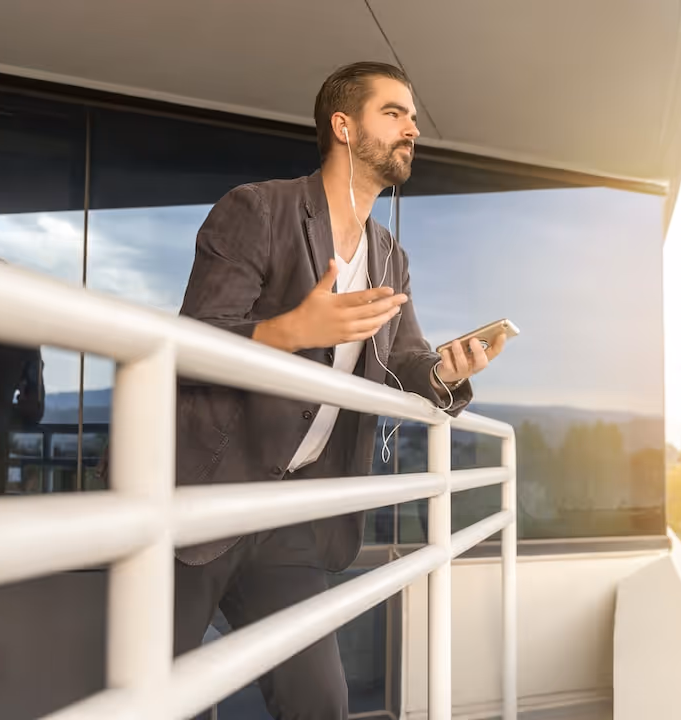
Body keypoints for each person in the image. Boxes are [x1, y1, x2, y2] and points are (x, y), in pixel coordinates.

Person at [104, 61, 506, 719]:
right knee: (158, 699)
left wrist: (445, 373)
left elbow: (403, 360)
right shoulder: (257, 211)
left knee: (319, 701)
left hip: (295, 517)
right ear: (344, 127)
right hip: (204, 498)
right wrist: (289, 329)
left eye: (412, 115)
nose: (413, 126)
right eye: (394, 113)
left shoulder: (389, 255)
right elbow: (191, 346)